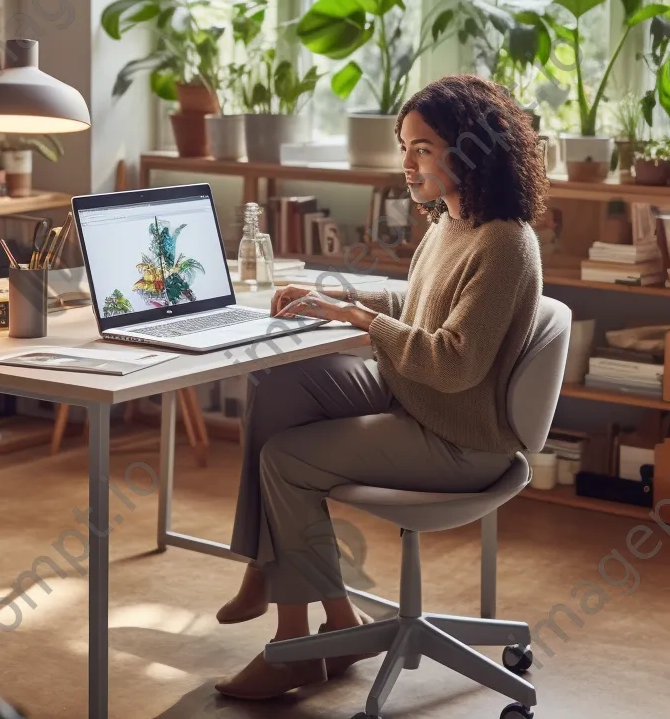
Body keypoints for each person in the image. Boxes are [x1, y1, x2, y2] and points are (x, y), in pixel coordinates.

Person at [215, 75, 547, 700]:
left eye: (422, 148)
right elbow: (415, 303)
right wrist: (337, 296)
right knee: (281, 387)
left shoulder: (503, 242)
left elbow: (453, 362)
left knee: (284, 459)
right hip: (418, 398)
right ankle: (323, 615)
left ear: (471, 149)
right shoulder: (453, 222)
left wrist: (356, 319)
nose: (406, 163)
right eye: (404, 146)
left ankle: (293, 646)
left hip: (458, 436)